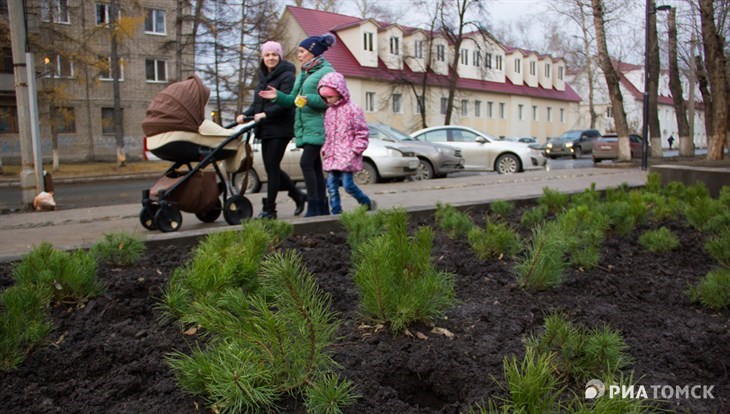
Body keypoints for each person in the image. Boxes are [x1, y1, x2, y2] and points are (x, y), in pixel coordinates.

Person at [258, 33, 336, 217]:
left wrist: (309, 99)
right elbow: (293, 100)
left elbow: (331, 99)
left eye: (302, 51)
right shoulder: (305, 73)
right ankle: (322, 207)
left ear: (313, 51)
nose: (299, 55)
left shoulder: (327, 72)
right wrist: (278, 96)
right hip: (305, 126)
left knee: (306, 163)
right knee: (314, 166)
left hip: (318, 125)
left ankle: (314, 206)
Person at [237, 41, 306, 219]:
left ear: (279, 56)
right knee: (271, 167)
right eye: (267, 55)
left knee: (272, 167)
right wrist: (245, 115)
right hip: (266, 128)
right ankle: (297, 195)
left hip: (281, 127)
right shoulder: (262, 76)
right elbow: (257, 104)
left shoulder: (287, 76)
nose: (271, 58)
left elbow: (286, 103)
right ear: (263, 57)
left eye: (274, 54)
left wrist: (266, 114)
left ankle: (270, 209)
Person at [317, 72, 376, 214]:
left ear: (340, 92)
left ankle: (366, 202)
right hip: (333, 156)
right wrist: (326, 149)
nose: (328, 100)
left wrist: (355, 150)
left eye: (330, 97)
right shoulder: (329, 112)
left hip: (348, 156)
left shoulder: (353, 109)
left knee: (348, 185)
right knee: (331, 185)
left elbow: (362, 132)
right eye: (325, 98)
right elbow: (329, 134)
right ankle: (336, 212)